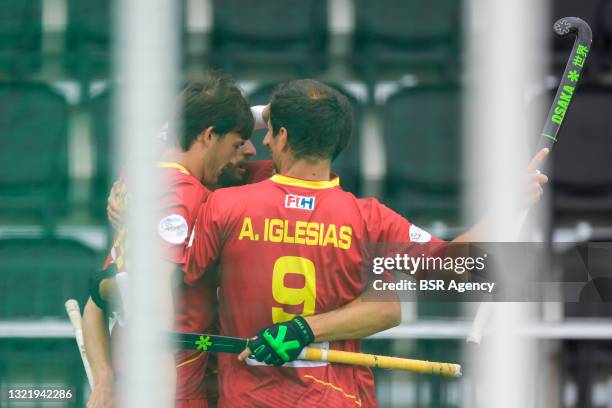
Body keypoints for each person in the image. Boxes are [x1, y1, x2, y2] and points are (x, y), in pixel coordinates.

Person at [184, 79, 550, 407]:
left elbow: (186, 146)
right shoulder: (366, 219)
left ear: (281, 136)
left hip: (248, 399)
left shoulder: (226, 202)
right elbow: (446, 269)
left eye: (268, 132)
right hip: (334, 399)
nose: (259, 142)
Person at [83, 72, 262, 408]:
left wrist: (104, 382)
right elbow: (154, 293)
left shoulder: (139, 177)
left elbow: (97, 294)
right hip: (172, 390)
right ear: (209, 136)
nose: (246, 152)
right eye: (237, 144)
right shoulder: (185, 195)